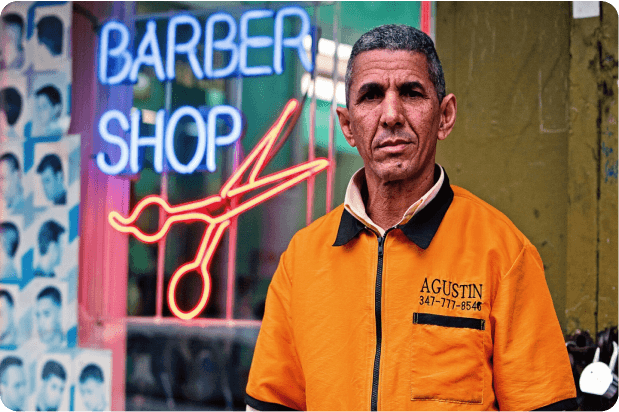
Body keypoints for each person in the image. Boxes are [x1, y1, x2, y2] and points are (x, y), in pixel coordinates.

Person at [245, 25, 577, 412]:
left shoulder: (503, 254)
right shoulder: (302, 260)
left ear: (445, 116)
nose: (391, 115)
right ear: (348, 125)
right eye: (370, 96)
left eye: (411, 93)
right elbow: (271, 405)